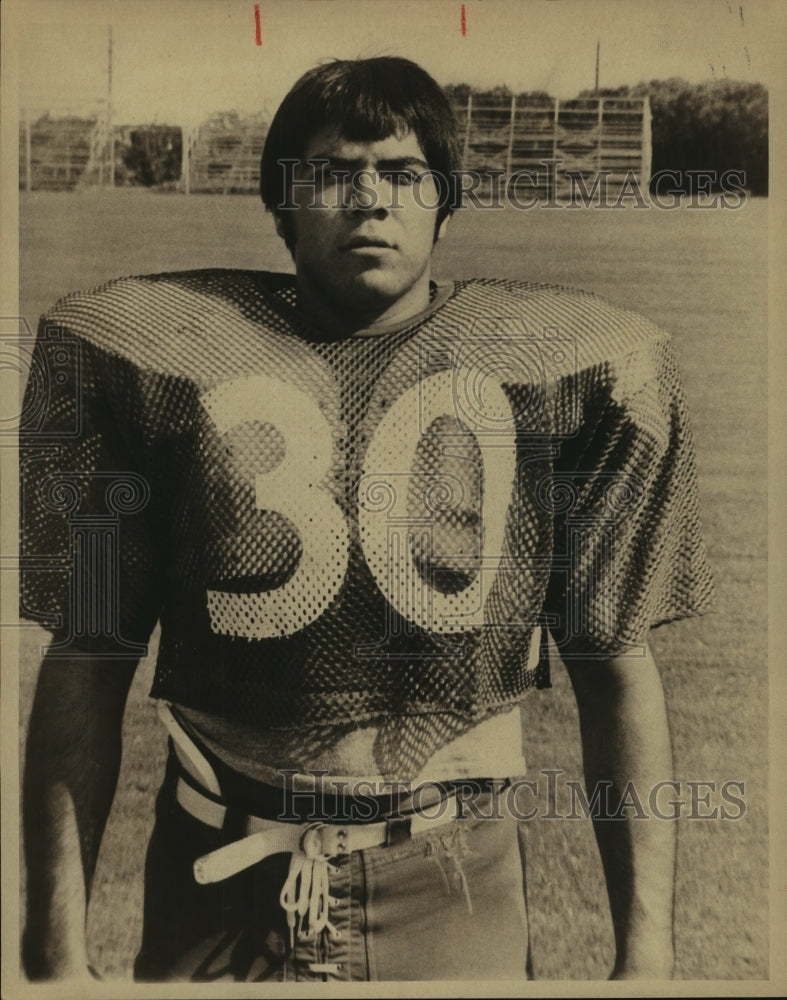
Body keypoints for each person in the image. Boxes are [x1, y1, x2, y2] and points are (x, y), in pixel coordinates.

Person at [20, 56, 714, 983]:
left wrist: (649, 955)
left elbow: (616, 666)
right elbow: (87, 654)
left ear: (444, 200)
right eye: (330, 171)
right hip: (215, 880)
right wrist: (55, 952)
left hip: (452, 882)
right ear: (280, 202)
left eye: (402, 172)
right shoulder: (141, 359)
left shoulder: (568, 372)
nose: (368, 197)